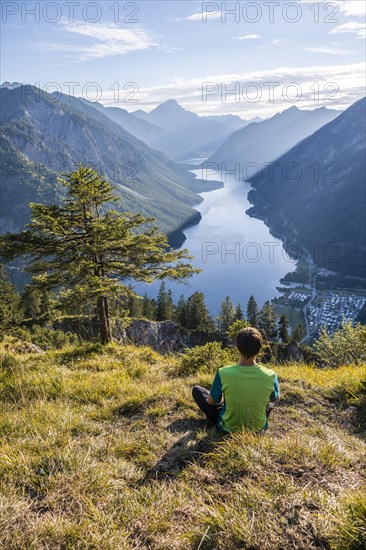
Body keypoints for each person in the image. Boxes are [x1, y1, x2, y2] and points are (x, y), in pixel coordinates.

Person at [192, 327, 280, 433]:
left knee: (197, 390)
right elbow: (275, 399)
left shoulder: (223, 373)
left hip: (227, 428)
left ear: (237, 348)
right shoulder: (270, 375)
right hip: (257, 430)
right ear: (260, 349)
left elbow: (212, 401)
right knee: (269, 403)